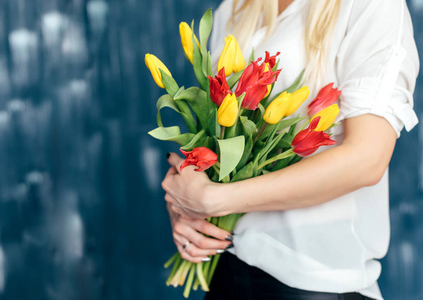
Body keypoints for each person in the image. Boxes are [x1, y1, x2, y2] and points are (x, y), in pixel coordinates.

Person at [162, 0, 419, 299]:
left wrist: (215, 200)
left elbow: (367, 158)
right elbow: (215, 135)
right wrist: (186, 205)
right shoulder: (236, 8)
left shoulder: (370, 6)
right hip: (225, 273)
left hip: (314, 283)